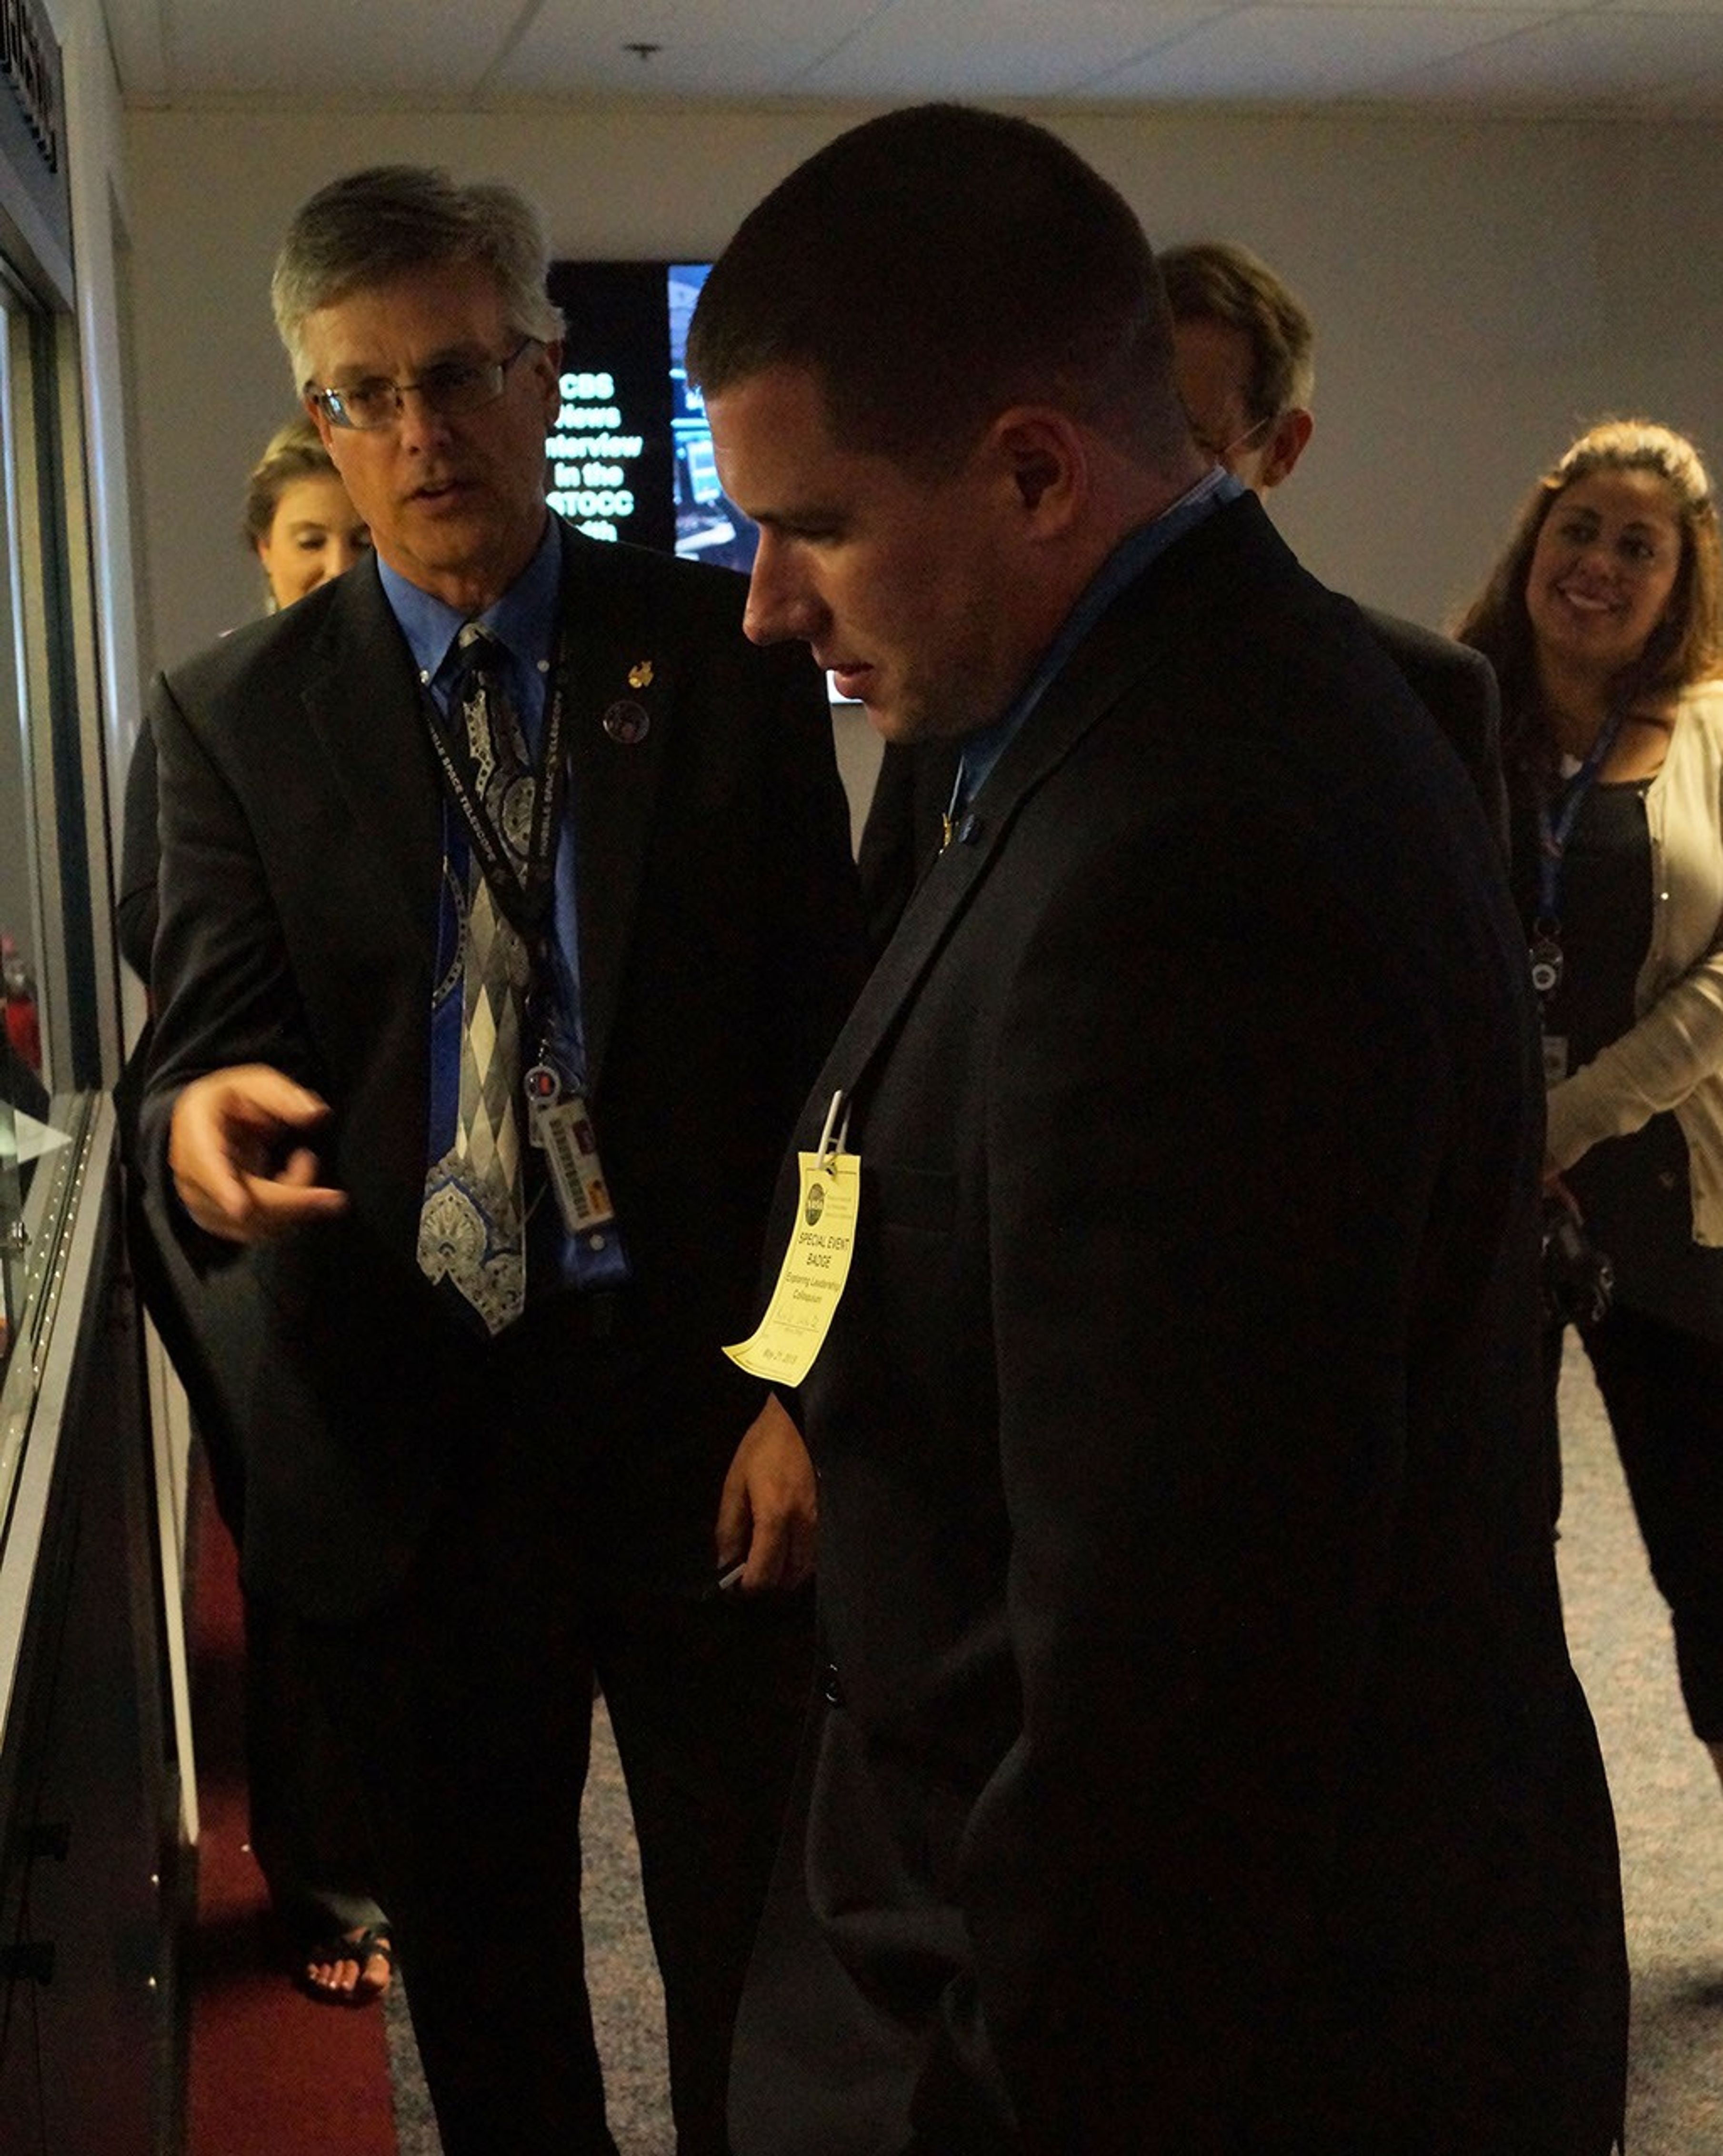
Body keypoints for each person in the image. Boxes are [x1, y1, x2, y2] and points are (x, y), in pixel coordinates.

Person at [687, 102, 1628, 2155]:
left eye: (812, 524)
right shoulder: (1103, 703)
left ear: (1034, 469)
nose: (764, 604)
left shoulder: (1198, 855)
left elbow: (1173, 1711)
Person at [138, 164, 862, 2154]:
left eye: (459, 373)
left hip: (698, 1411)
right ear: (315, 414)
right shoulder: (230, 720)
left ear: (545, 377)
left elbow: (836, 1062)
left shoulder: (722, 646)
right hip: (423, 1439)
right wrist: (198, 1122)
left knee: (757, 1942)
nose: (421, 432)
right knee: (486, 1972)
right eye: (363, 394)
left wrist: (801, 1376)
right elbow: (203, 1047)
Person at [854, 235, 1507, 955]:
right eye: (1110, 433)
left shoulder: (1424, 693)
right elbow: (880, 958)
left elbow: (1457, 983)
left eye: (1187, 442)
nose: (1129, 481)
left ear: (1282, 449)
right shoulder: (975, 667)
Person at [117, 419, 391, 2006]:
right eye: (309, 539)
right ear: (260, 551)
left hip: (378, 1188)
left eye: (355, 542)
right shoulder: (209, 714)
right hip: (232, 1196)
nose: (336, 569)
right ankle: (325, 1875)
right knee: (298, 1526)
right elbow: (166, 934)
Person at [1456, 417, 1723, 1796]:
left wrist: (1566, 1125)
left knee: (1710, 1555)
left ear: (1681, 582)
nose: (1600, 565)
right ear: (1534, 542)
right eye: (1581, 531)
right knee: (1476, 1553)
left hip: (1665, 1204)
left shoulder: (1716, 734)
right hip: (1479, 1208)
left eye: (1640, 546)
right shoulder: (1446, 714)